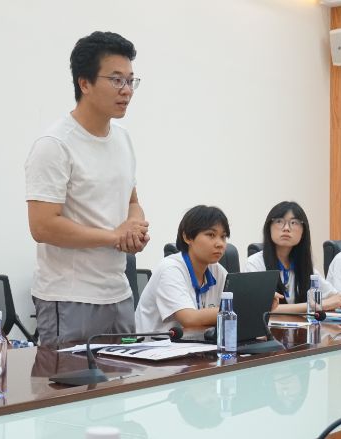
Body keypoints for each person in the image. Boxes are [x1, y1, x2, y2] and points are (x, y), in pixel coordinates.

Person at [25, 31, 149, 345]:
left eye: (130, 81)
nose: (127, 90)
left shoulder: (123, 139)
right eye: (116, 80)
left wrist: (134, 227)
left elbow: (132, 201)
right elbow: (42, 226)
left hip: (118, 293)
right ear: (85, 83)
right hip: (69, 297)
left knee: (122, 378)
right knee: (70, 377)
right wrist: (114, 236)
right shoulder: (55, 144)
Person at [136, 205, 278, 332]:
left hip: (196, 346)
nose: (220, 244)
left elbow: (237, 303)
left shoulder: (217, 270)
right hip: (156, 349)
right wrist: (246, 307)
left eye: (223, 237)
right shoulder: (170, 269)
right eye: (211, 235)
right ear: (187, 237)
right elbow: (189, 319)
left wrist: (260, 302)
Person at [245, 201, 341, 311]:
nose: (286, 228)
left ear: (303, 232)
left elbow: (336, 298)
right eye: (279, 221)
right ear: (269, 228)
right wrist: (316, 306)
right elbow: (262, 309)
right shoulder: (255, 264)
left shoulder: (304, 266)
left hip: (302, 323)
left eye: (294, 223)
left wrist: (332, 302)